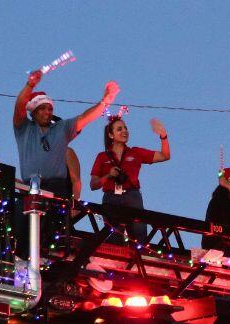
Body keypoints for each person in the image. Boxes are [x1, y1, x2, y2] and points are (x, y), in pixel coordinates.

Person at [11, 69, 120, 199]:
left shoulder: (60, 128)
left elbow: (84, 118)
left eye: (50, 108)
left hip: (57, 191)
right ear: (33, 112)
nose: (47, 112)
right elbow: (19, 107)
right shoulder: (24, 129)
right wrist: (30, 85)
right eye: (42, 108)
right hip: (29, 190)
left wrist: (105, 102)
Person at [89, 116, 171, 238]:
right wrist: (108, 175)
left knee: (139, 235)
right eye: (119, 129)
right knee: (114, 237)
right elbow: (93, 185)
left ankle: (140, 255)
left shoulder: (135, 152)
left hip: (132, 196)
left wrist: (163, 136)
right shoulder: (102, 157)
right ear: (111, 135)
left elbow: (165, 156)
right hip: (111, 197)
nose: (124, 131)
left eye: (125, 128)